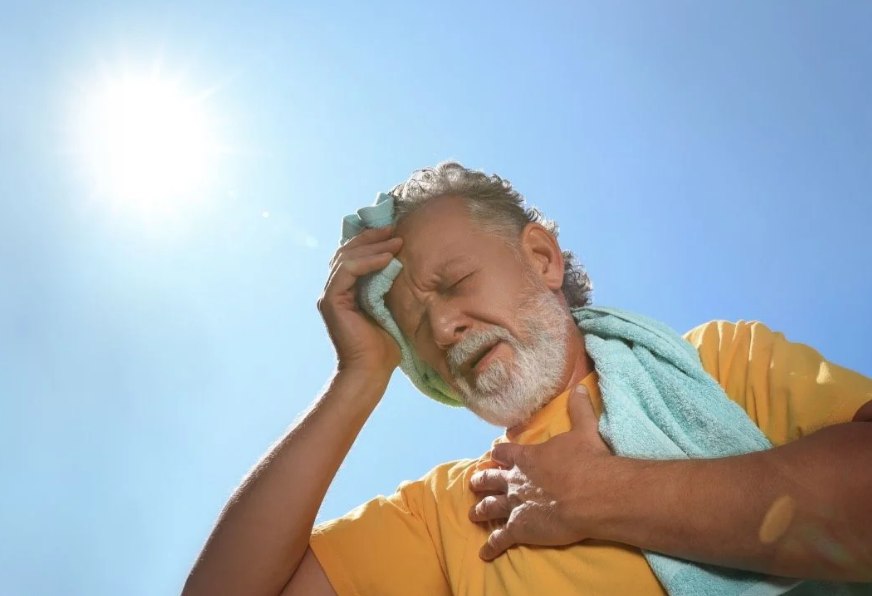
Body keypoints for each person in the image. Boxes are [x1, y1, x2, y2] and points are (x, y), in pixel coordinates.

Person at [182, 163, 872, 596]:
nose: (443, 327)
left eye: (454, 283)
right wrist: (357, 376)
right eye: (415, 330)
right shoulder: (452, 510)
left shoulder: (719, 361)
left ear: (541, 257)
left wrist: (603, 494)